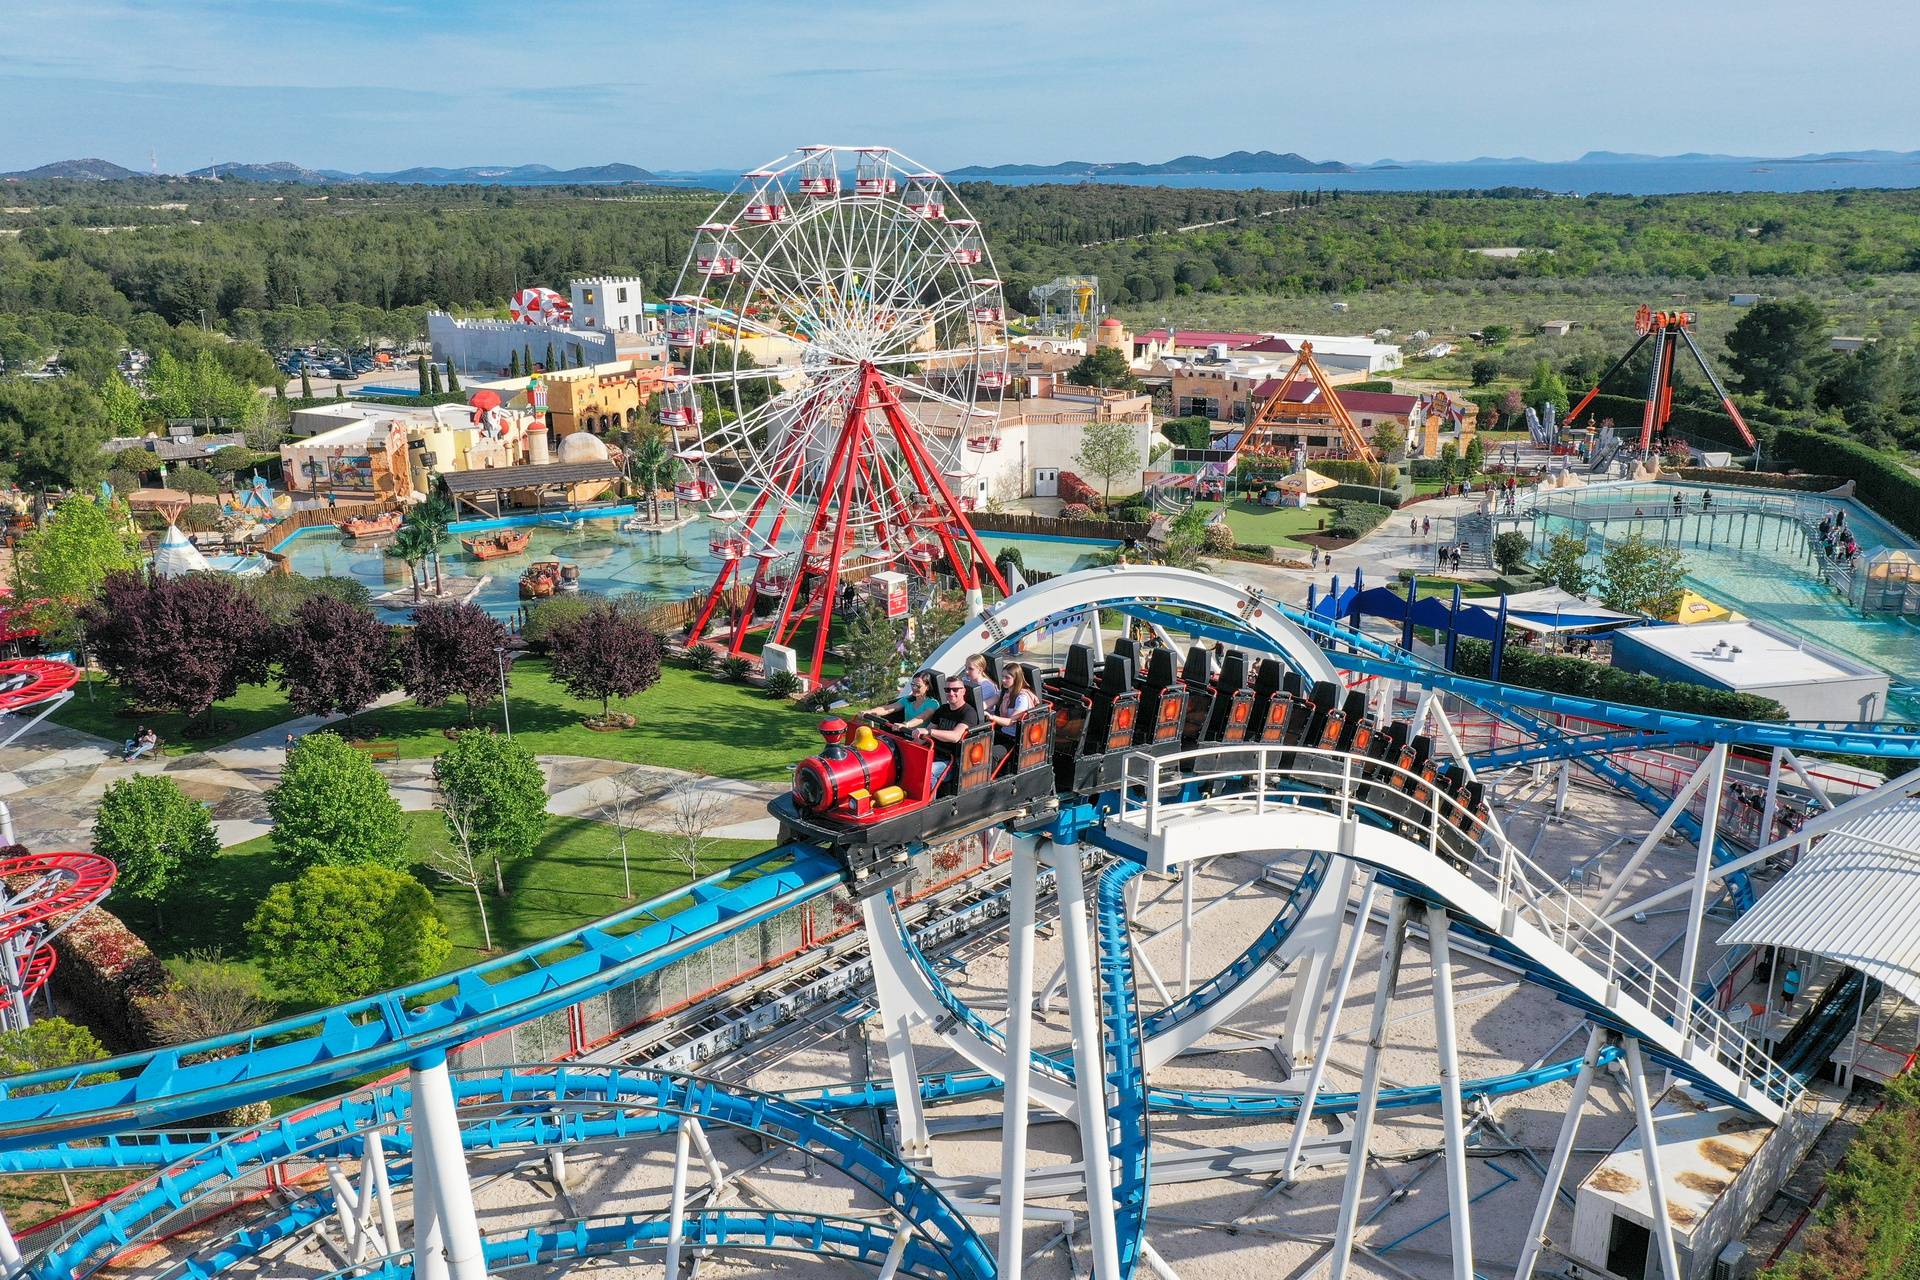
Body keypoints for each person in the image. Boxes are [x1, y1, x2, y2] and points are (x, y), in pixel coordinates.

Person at [915, 677, 983, 789]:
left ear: (963, 691)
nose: (951, 693)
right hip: (935, 753)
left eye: (955, 689)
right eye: (947, 690)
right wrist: (910, 744)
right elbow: (926, 735)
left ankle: (929, 803)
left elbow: (956, 736)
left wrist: (930, 732)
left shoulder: (969, 713)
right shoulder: (942, 709)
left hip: (953, 762)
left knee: (928, 771)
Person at [987, 664, 1039, 760]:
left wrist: (992, 717)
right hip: (1002, 733)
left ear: (1016, 679)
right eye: (1002, 677)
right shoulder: (1004, 692)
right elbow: (987, 703)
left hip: (1014, 740)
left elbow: (1010, 722)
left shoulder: (1022, 698)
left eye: (1007, 678)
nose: (1003, 680)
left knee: (990, 755)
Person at [873, 671, 939, 728]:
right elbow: (888, 709)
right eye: (913, 685)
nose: (914, 688)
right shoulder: (908, 699)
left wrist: (906, 725)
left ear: (927, 687)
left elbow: (922, 717)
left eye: (918, 686)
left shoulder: (933, 703)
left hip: (920, 740)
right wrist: (870, 712)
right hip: (905, 736)